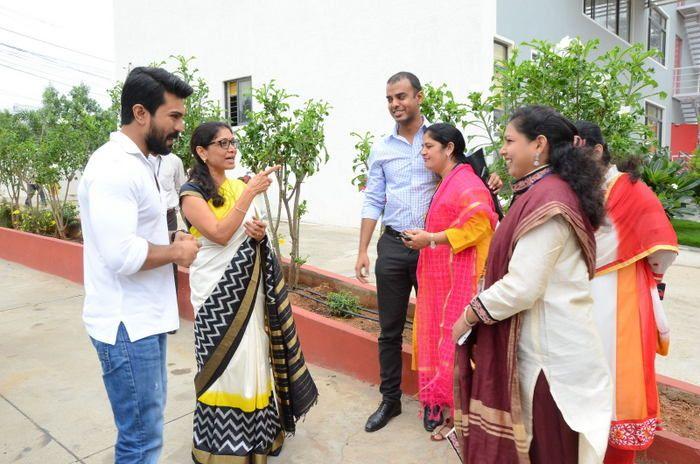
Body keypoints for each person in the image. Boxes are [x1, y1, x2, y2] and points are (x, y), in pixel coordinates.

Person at [452, 105, 613, 464]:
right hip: (546, 349)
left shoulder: (550, 201)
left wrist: (469, 317)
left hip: (551, 362)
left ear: (538, 144)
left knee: (549, 451)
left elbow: (521, 286)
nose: (503, 150)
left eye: (510, 141)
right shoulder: (542, 192)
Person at [356, 71, 502, 433]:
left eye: (402, 96)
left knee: (442, 326)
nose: (395, 104)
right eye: (389, 99)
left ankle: (438, 399)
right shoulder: (382, 148)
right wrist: (362, 250)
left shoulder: (438, 139)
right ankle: (389, 400)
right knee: (389, 330)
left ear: (419, 97)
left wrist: (491, 180)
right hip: (393, 244)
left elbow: (468, 181)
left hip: (436, 251)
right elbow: (373, 198)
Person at [78, 67, 200, 463]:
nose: (181, 126)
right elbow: (122, 254)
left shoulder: (144, 161)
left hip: (143, 320)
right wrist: (175, 253)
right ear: (141, 113)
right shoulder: (114, 167)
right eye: (174, 116)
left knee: (145, 431)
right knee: (141, 441)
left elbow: (139, 233)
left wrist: (171, 240)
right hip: (126, 326)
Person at [180, 122, 318, 463]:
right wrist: (250, 192)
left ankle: (259, 437)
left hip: (249, 292)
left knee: (253, 359)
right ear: (201, 151)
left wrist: (257, 235)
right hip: (216, 296)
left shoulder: (234, 187)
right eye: (222, 143)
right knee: (226, 365)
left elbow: (246, 233)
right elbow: (219, 234)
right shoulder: (191, 194)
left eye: (232, 141)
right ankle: (222, 447)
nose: (231, 148)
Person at [575, 121, 678, 464]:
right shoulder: (579, 190)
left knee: (618, 377)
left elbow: (661, 245)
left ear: (598, 150)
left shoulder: (631, 189)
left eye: (578, 151)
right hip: (581, 296)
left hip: (623, 295)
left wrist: (648, 270)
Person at [402, 123, 497, 438]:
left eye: (429, 146)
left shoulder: (466, 183)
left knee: (456, 341)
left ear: (449, 148)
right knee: (433, 335)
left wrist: (431, 238)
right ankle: (438, 403)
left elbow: (480, 223)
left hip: (458, 279)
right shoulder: (448, 181)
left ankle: (458, 413)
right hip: (438, 278)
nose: (424, 152)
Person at [150, 151, 186, 231]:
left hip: (169, 217)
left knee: (169, 242)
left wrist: (176, 209)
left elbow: (180, 189)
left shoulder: (174, 160)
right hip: (145, 216)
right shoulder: (137, 159)